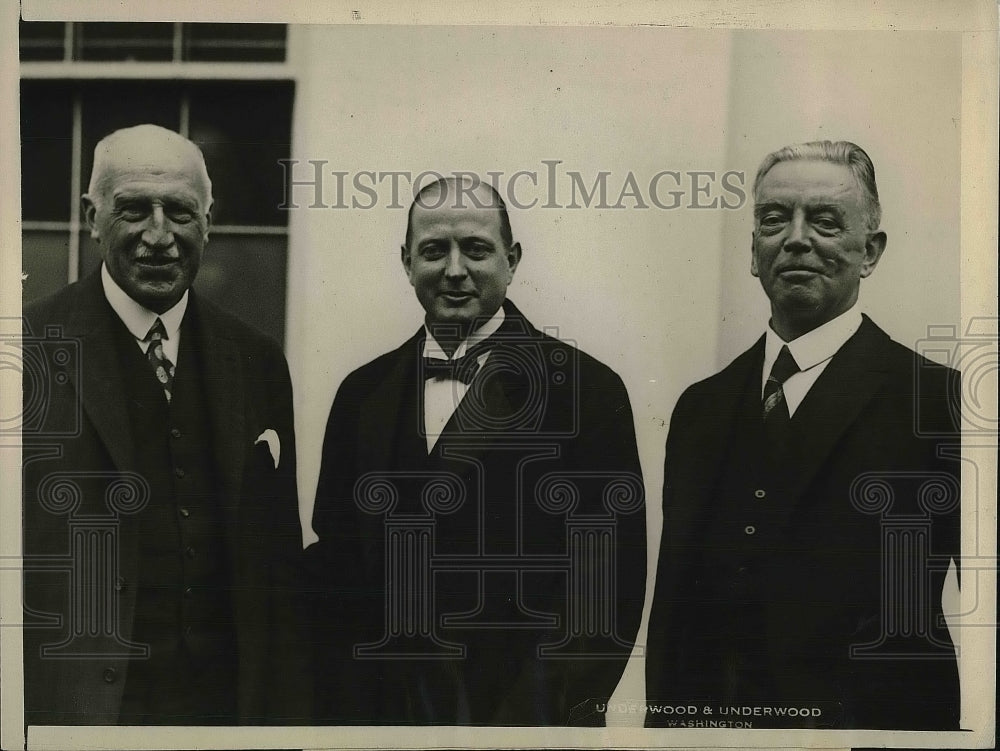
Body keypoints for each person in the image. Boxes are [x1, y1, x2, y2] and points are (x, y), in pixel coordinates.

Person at [644, 141, 962, 730]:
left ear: (870, 252)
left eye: (824, 221)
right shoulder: (701, 408)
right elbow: (672, 617)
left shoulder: (942, 402)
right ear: (753, 252)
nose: (795, 238)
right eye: (774, 218)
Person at [309, 176, 646, 725]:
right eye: (434, 250)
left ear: (512, 260)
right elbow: (337, 563)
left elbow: (606, 586)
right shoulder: (361, 393)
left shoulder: (586, 391)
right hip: (378, 716)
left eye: (477, 249)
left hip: (520, 718)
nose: (455, 269)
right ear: (406, 261)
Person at [21, 124, 309, 726]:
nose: (159, 236)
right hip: (76, 708)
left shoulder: (256, 361)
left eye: (179, 212)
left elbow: (278, 563)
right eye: (133, 211)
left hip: (225, 709)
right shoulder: (27, 351)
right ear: (92, 217)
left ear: (209, 221)